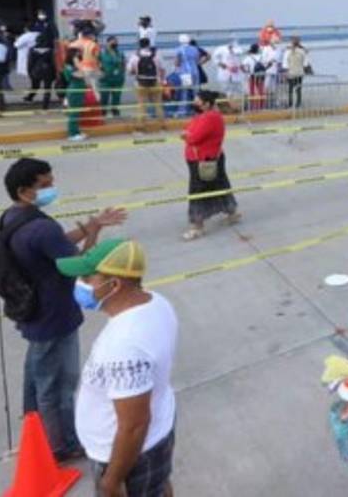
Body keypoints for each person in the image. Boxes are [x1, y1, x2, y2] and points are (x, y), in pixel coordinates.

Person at [0, 157, 126, 462]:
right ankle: (63, 445)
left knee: (36, 376)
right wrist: (96, 234)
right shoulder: (41, 227)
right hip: (54, 316)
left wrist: (91, 224)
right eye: (45, 184)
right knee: (58, 386)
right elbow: (83, 264)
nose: (52, 188)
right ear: (24, 190)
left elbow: (55, 246)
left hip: (34, 314)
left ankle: (36, 433)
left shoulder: (13, 217)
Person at [57, 239, 177, 497]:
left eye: (88, 278)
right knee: (159, 485)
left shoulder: (125, 346)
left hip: (126, 454)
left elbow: (134, 425)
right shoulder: (155, 302)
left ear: (114, 285)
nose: (80, 284)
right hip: (158, 431)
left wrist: (112, 480)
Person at [181, 90, 241, 241]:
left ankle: (197, 226)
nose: (194, 103)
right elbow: (191, 131)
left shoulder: (210, 118)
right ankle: (232, 213)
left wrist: (186, 136)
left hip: (203, 160)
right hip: (211, 158)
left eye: (197, 101)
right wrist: (188, 134)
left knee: (198, 192)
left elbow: (193, 137)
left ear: (206, 104)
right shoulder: (206, 116)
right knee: (220, 186)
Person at [24, 11, 58, 108]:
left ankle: (30, 97)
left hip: (36, 72)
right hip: (48, 72)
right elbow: (53, 63)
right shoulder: (50, 51)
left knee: (35, 85)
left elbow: (30, 63)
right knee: (47, 89)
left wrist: (30, 72)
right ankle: (45, 106)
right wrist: (55, 73)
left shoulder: (33, 50)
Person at [129, 37, 165, 128]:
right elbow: (162, 69)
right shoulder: (156, 55)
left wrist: (136, 72)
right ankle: (161, 126)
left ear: (139, 45)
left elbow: (130, 71)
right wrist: (162, 80)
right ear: (149, 44)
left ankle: (141, 127)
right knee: (158, 105)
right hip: (155, 82)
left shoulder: (135, 56)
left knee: (141, 106)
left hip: (140, 83)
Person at [59, 51, 87, 142]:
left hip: (80, 91)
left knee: (77, 113)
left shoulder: (75, 66)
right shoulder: (69, 67)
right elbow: (82, 74)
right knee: (73, 113)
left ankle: (77, 132)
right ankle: (72, 134)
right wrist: (79, 65)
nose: (78, 58)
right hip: (74, 91)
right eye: (76, 56)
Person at [98, 36, 125, 118]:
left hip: (118, 79)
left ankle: (115, 111)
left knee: (116, 97)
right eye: (113, 42)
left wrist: (122, 72)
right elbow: (96, 63)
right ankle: (103, 113)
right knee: (104, 97)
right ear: (108, 43)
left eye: (116, 42)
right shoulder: (102, 53)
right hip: (105, 79)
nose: (115, 44)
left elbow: (123, 64)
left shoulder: (120, 53)